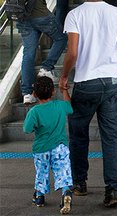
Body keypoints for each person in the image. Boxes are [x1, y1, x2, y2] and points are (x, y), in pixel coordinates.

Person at [58, 0, 117, 207]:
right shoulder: (116, 13)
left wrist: (63, 77)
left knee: (79, 135)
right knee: (111, 137)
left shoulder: (75, 15)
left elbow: (72, 52)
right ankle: (113, 190)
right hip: (111, 81)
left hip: (85, 82)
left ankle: (79, 183)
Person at [17, 0, 69, 105]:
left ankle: (26, 93)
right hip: (41, 16)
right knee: (61, 38)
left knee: (29, 53)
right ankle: (46, 68)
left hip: (23, 17)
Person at [23, 76, 73, 213]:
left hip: (41, 149)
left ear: (34, 94)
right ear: (52, 91)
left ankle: (39, 196)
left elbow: (27, 129)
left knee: (42, 172)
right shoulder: (59, 106)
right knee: (63, 170)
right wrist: (64, 91)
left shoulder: (34, 112)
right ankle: (65, 192)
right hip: (60, 147)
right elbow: (70, 107)